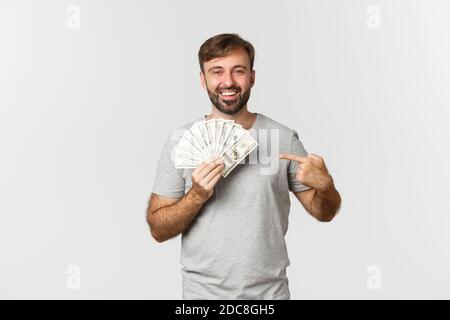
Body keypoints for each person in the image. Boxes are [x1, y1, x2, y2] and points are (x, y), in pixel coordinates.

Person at [147, 33, 341, 300]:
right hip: (202, 297)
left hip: (269, 295)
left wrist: (326, 186)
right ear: (203, 80)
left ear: (252, 77)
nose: (228, 82)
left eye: (238, 71)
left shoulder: (283, 138)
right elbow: (158, 229)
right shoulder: (180, 141)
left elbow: (324, 212)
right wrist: (196, 196)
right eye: (217, 72)